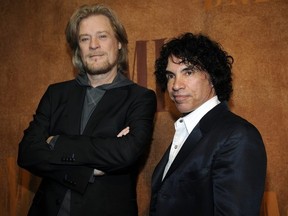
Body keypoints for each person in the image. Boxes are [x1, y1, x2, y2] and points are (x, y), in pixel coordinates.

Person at [17, 4, 157, 216]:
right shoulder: (56, 94)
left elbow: (127, 153)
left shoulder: (140, 98)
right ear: (77, 49)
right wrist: (87, 170)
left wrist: (56, 142)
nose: (93, 45)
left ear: (118, 43)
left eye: (102, 36)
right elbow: (27, 153)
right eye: (84, 38)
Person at [149, 32, 267, 216]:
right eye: (171, 75)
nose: (176, 85)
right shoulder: (187, 130)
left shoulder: (238, 136)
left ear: (212, 76)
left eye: (188, 72)